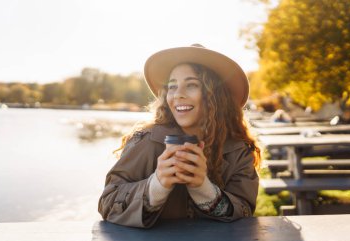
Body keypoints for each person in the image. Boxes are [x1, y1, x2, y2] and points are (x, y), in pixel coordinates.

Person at [98, 44, 261, 228]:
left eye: (191, 85)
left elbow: (245, 210)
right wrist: (157, 186)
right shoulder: (147, 140)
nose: (178, 95)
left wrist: (204, 189)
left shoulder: (238, 150)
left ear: (216, 95)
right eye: (172, 86)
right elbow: (107, 203)